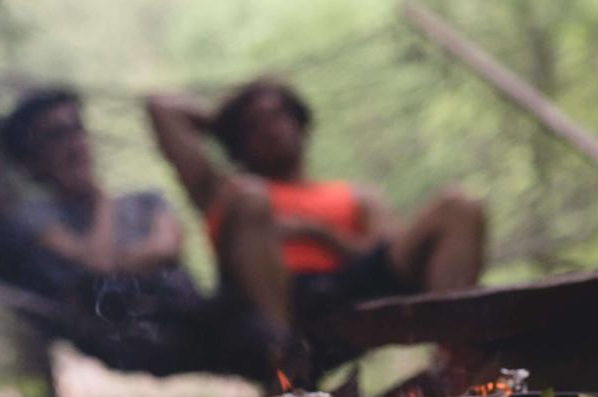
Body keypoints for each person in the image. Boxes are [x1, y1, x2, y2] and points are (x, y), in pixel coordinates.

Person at [0, 88, 279, 380]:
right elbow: (98, 266)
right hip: (136, 335)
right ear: (31, 160)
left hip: (198, 315)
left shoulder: (147, 199)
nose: (74, 143)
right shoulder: (32, 218)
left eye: (76, 129)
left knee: (248, 206)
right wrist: (100, 201)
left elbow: (166, 249)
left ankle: (283, 349)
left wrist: (114, 260)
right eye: (56, 135)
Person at [145, 78, 486, 341]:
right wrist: (225, 122)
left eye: (278, 114)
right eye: (253, 125)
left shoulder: (354, 195)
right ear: (237, 142)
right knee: (252, 196)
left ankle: (455, 352)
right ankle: (285, 359)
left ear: (300, 122)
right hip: (267, 305)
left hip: (350, 286)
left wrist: (319, 234)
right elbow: (161, 108)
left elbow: (390, 255)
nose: (270, 128)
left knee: (460, 205)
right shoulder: (225, 192)